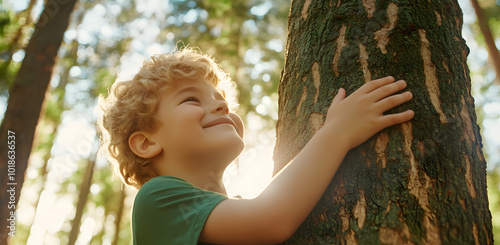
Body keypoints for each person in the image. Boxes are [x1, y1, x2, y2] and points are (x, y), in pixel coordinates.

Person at [98, 47, 414, 245]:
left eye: (221, 100)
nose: (221, 107)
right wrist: (338, 132)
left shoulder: (233, 211)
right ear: (147, 142)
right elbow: (271, 218)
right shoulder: (158, 197)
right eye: (192, 99)